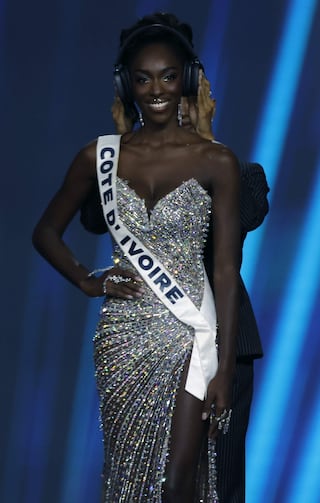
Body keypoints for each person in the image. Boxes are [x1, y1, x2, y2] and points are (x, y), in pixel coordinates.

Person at [32, 12, 241, 501]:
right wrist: (89, 281)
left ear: (187, 78)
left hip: (193, 333)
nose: (156, 90)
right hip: (123, 338)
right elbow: (46, 232)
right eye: (143, 79)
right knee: (129, 478)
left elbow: (227, 270)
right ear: (127, 84)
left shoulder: (218, 161)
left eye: (169, 76)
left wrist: (226, 367)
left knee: (176, 482)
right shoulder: (98, 157)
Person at [80, 69, 269, 502]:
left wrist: (203, 143)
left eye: (188, 98)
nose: (173, 108)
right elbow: (92, 219)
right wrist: (127, 144)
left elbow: (245, 217)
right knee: (140, 474)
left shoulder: (235, 169)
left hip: (219, 339)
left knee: (218, 477)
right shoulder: (122, 162)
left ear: (206, 102)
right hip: (144, 339)